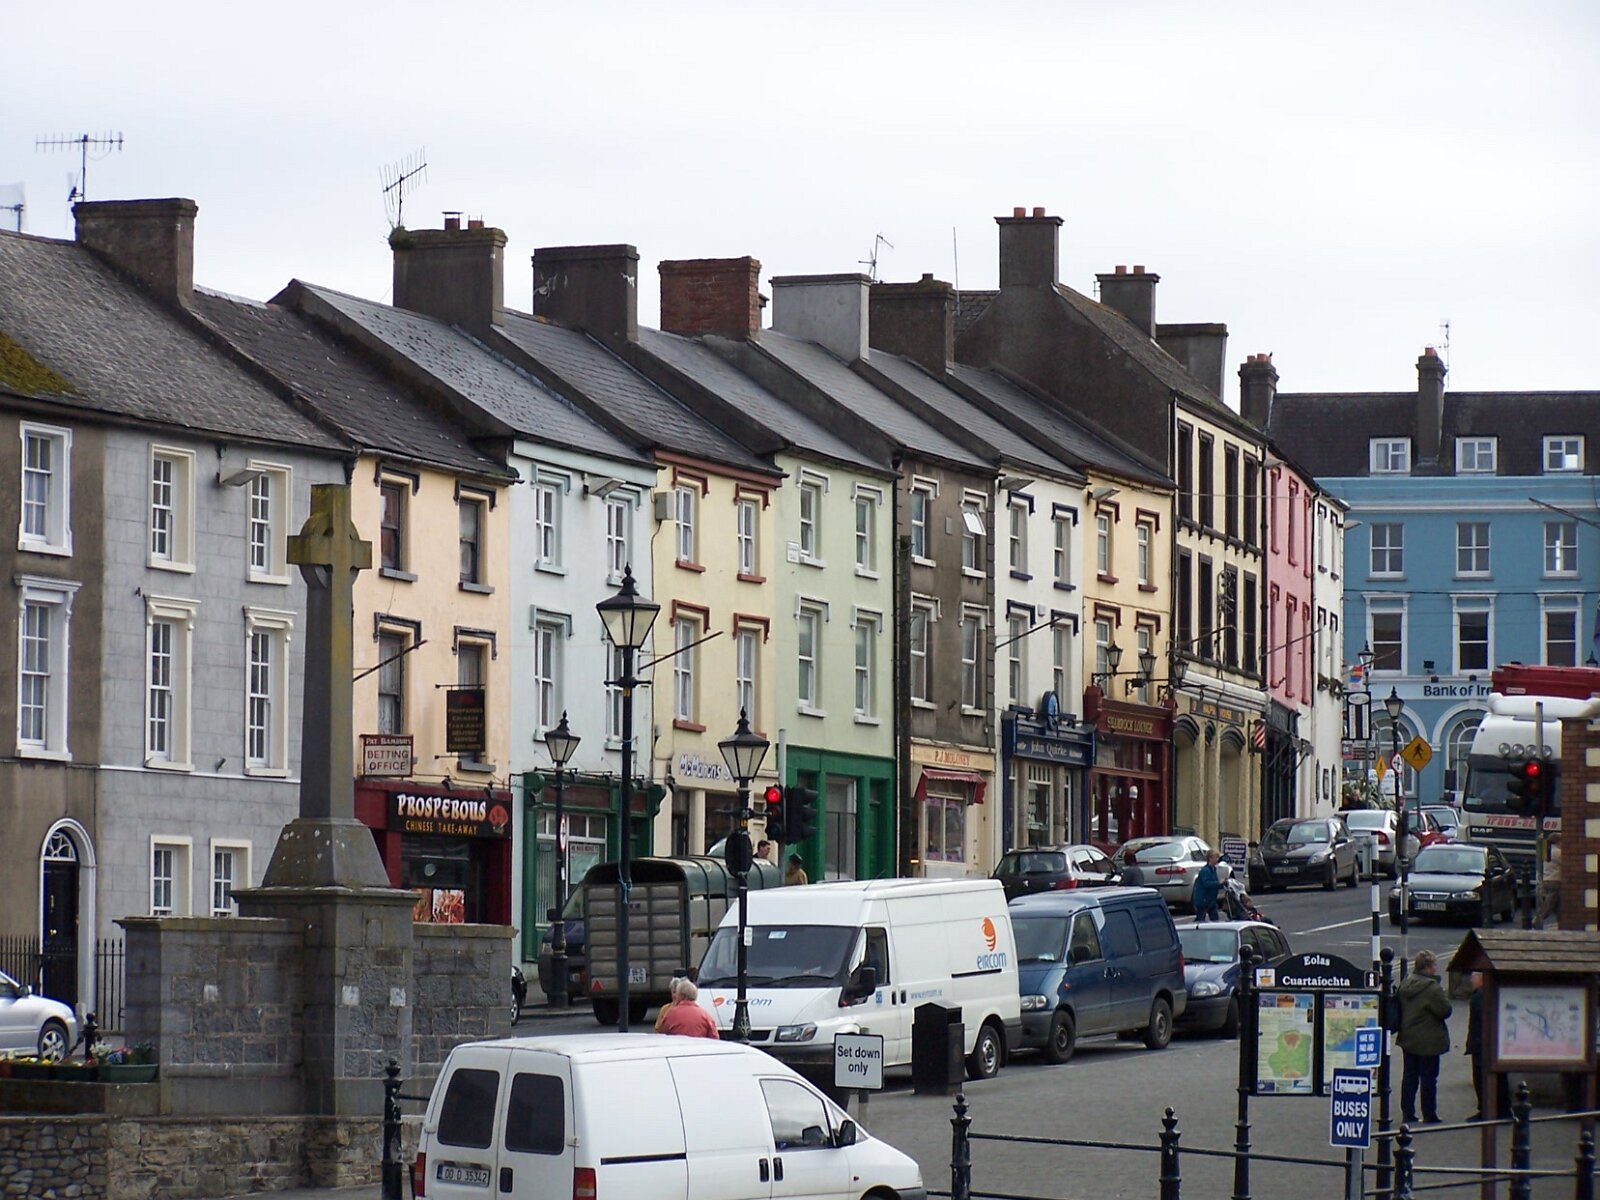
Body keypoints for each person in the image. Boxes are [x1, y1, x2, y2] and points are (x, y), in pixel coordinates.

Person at [1396, 949, 1452, 1124]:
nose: (1436, 968)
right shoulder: (1432, 988)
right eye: (1434, 965)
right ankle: (1429, 1114)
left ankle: (1407, 1112)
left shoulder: (1405, 983)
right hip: (1429, 1040)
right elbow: (1445, 1011)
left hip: (1408, 1036)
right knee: (1428, 1079)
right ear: (1428, 967)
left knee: (1409, 1076)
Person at [1465, 971, 1511, 1121]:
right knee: (1499, 1077)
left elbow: (1482, 1020)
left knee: (1482, 1079)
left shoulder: (1479, 996)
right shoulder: (1492, 992)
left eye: (1474, 976)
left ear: (1481, 978)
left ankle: (1487, 1110)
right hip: (1493, 1043)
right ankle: (1502, 1110)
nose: (1471, 979)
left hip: (1482, 1044)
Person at [655, 979, 719, 1039]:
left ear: (682, 996)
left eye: (677, 993)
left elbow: (661, 1034)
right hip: (699, 1046)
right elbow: (714, 1037)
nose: (675, 996)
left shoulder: (671, 1013)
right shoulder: (705, 1014)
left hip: (677, 1046)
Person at [1193, 851, 1223, 922]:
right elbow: (1206, 883)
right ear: (1210, 858)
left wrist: (1222, 884)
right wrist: (1218, 883)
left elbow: (1215, 883)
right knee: (1200, 918)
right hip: (1203, 899)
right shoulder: (1205, 870)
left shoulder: (1213, 869)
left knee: (1215, 918)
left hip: (1211, 899)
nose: (1217, 859)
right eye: (1216, 857)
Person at [1535, 844, 1561, 927]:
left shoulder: (1546, 851)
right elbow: (1565, 863)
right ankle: (1537, 921)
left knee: (1557, 905)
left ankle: (1562, 923)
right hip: (1555, 880)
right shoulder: (1557, 852)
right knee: (1549, 904)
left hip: (1547, 879)